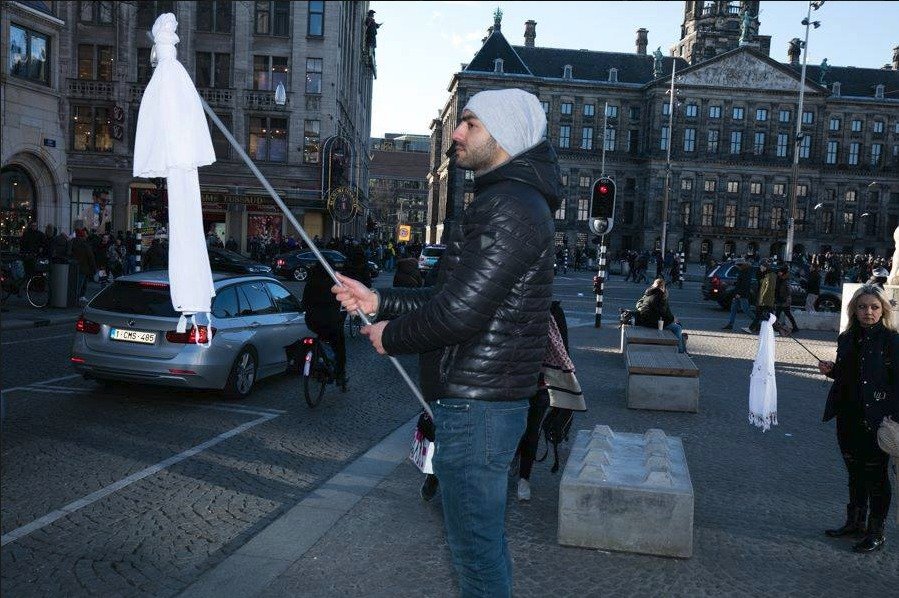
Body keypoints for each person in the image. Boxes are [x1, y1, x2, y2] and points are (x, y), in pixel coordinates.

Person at [332, 88, 558, 597]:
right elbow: (448, 297)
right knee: (481, 548)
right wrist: (377, 302)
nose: (456, 133)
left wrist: (392, 336)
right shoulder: (506, 199)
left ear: (504, 136)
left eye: (471, 124)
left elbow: (459, 313)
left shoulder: (510, 206)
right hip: (479, 403)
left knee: (475, 557)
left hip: (479, 409)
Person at [818, 285, 899, 553]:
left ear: (883, 310)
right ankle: (855, 522)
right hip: (848, 414)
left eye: (874, 307)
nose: (868, 312)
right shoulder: (847, 338)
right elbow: (849, 374)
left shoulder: (892, 341)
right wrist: (832, 371)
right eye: (863, 307)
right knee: (854, 472)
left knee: (875, 476)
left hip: (877, 418)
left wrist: (893, 416)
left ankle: (877, 531)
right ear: (854, 310)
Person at [303, 263, 348, 389]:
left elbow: (304, 303)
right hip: (331, 322)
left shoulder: (310, 283)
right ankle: (340, 375)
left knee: (319, 336)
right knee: (340, 347)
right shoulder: (334, 284)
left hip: (312, 322)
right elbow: (341, 304)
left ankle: (316, 360)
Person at [634, 277, 688, 353]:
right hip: (652, 322)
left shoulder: (648, 293)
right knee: (678, 327)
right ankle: (681, 351)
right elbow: (664, 313)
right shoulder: (660, 296)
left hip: (644, 320)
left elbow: (640, 304)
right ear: (662, 287)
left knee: (676, 325)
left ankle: (681, 347)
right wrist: (673, 319)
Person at [743, 259, 776, 335]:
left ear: (765, 267)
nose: (760, 268)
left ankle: (775, 330)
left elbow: (767, 289)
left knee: (769, 315)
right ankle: (751, 328)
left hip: (766, 299)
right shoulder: (766, 275)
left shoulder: (769, 276)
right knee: (760, 314)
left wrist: (762, 299)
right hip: (765, 299)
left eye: (761, 267)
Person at [723, 260, 752, 330]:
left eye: (737, 266)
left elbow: (744, 285)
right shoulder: (743, 271)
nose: (737, 267)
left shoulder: (745, 272)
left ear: (741, 265)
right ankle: (730, 324)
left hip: (742, 295)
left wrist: (739, 294)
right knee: (733, 309)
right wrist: (732, 284)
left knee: (746, 310)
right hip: (738, 294)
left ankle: (757, 322)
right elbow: (739, 283)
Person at [773, 265, 799, 334]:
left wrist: (783, 298)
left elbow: (788, 291)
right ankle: (795, 327)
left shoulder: (785, 280)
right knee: (781, 313)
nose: (778, 273)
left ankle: (795, 327)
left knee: (785, 313)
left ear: (783, 273)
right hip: (780, 299)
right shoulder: (780, 278)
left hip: (784, 300)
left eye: (780, 272)